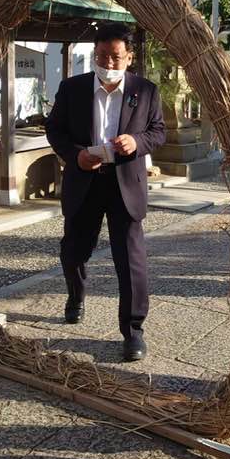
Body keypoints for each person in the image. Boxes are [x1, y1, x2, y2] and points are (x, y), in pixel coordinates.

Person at [45, 24, 166, 361]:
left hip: (125, 184)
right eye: (101, 56)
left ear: (129, 57)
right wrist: (75, 154)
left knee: (131, 262)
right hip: (84, 178)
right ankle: (75, 296)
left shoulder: (146, 90)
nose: (107, 62)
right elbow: (53, 128)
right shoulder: (72, 88)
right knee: (73, 251)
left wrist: (136, 142)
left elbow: (158, 132)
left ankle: (133, 330)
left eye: (115, 56)